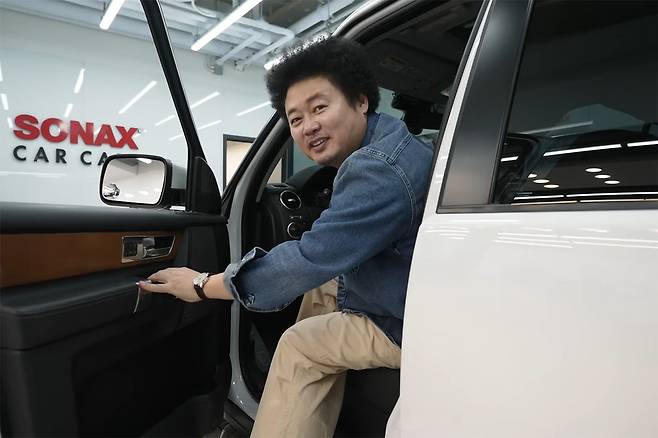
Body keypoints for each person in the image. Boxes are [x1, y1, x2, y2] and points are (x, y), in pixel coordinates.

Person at [139, 37, 433, 438]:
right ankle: (303, 408)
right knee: (324, 285)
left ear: (361, 101)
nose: (308, 126)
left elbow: (309, 258)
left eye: (319, 107)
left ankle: (295, 395)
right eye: (295, 119)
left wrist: (202, 285)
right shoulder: (397, 145)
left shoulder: (377, 168)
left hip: (405, 323)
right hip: (415, 293)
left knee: (298, 346)